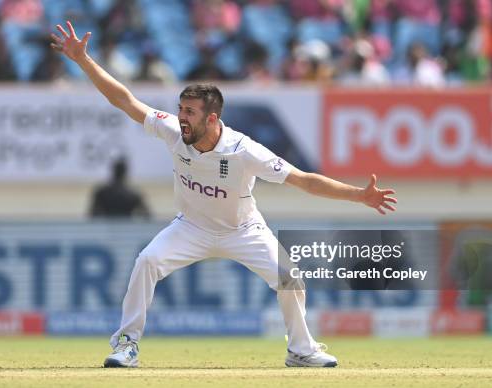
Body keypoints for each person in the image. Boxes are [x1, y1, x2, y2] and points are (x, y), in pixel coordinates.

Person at [51, 20, 397, 368]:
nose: (180, 118)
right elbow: (123, 100)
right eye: (180, 110)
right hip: (191, 227)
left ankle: (301, 349)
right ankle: (126, 344)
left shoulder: (244, 150)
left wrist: (359, 196)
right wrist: (83, 61)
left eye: (189, 113)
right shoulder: (174, 131)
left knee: (290, 276)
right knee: (147, 261)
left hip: (244, 230)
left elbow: (304, 180)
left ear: (212, 118)